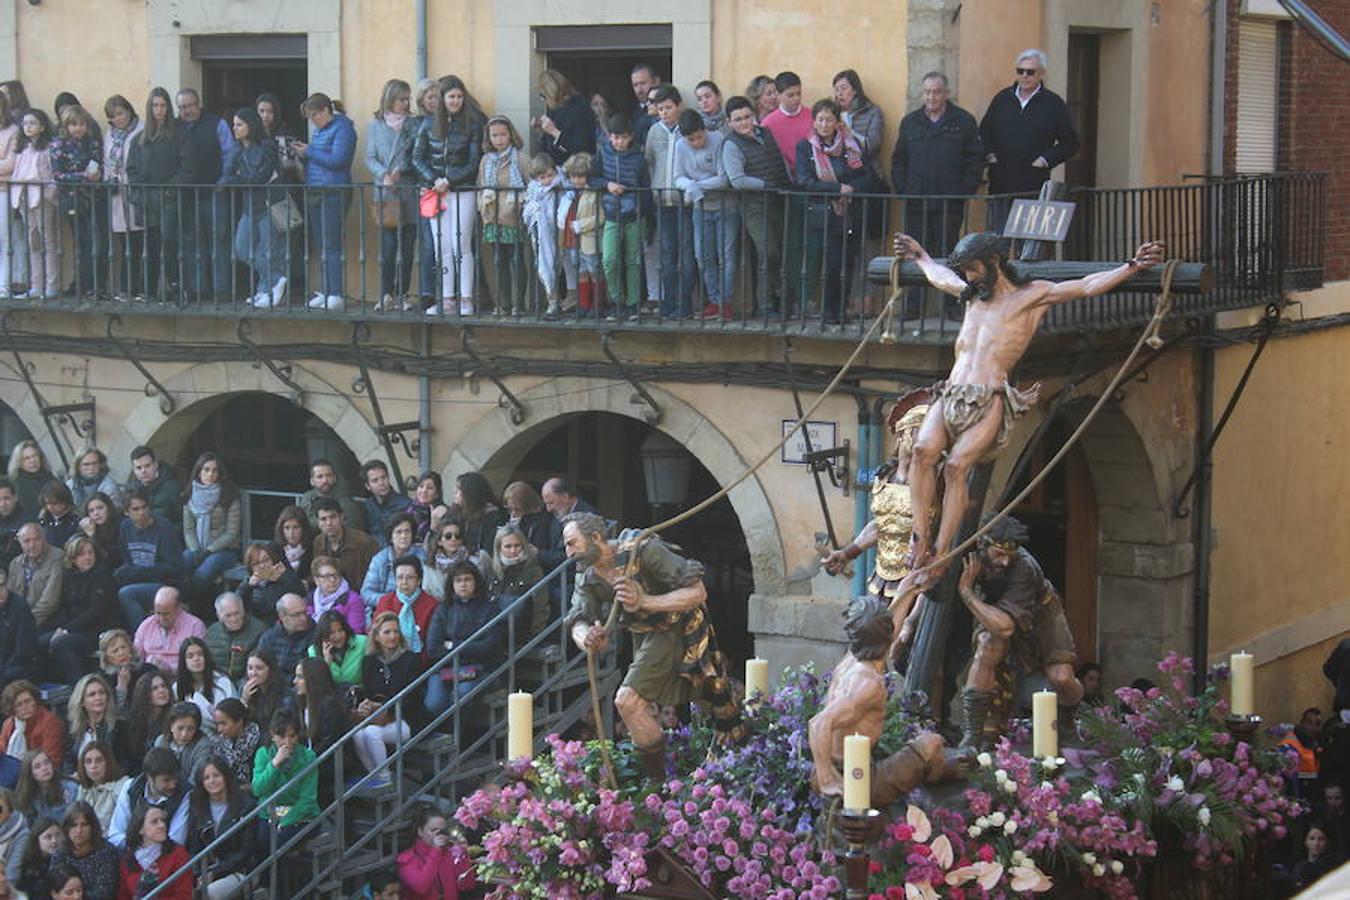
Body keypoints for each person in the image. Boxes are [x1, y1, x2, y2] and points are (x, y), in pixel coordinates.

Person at [894, 231, 1163, 572]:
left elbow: (1086, 286)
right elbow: (941, 277)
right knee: (921, 452)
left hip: (988, 398)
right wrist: (922, 257)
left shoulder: (1032, 297)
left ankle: (942, 551)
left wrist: (1132, 266)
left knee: (956, 467)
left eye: (973, 269)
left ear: (993, 262)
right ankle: (920, 539)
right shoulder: (972, 294)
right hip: (951, 393)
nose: (969, 276)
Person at [563, 512, 742, 782]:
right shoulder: (587, 575)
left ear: (596, 537)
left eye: (572, 543)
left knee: (628, 701)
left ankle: (659, 785)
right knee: (706, 698)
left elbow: (697, 593)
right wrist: (586, 636)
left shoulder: (641, 549)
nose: (568, 553)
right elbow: (577, 618)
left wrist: (645, 601)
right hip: (644, 638)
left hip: (677, 629)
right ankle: (736, 742)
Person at [897, 516, 1082, 748]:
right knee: (987, 645)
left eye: (1010, 555)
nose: (1005, 562)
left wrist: (967, 594)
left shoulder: (1025, 567)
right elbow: (932, 588)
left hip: (1040, 616)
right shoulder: (965, 554)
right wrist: (910, 623)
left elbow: (1005, 626)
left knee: (1061, 677)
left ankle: (1067, 722)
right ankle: (973, 734)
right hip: (995, 612)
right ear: (983, 544)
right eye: (999, 554)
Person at [823, 393, 929, 623]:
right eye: (920, 432)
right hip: (882, 577)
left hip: (916, 581)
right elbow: (882, 525)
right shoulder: (885, 477)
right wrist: (848, 552)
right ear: (903, 435)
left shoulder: (933, 482)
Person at [890, 71, 983, 320]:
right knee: (914, 254)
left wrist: (964, 190)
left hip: (949, 203)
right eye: (927, 92)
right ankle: (912, 306)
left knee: (949, 254)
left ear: (946, 93)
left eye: (936, 92)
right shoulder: (910, 122)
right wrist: (904, 189)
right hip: (916, 201)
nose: (931, 97)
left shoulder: (963, 121)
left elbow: (975, 159)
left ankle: (952, 305)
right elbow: (899, 160)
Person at [795, 98, 881, 325]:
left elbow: (867, 175)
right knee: (831, 263)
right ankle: (828, 311)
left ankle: (841, 310)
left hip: (850, 212)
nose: (824, 124)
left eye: (829, 119)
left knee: (848, 262)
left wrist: (851, 188)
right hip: (823, 213)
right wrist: (836, 188)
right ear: (814, 122)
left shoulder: (850, 146)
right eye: (820, 119)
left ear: (836, 121)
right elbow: (804, 180)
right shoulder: (806, 147)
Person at [979, 49, 1079, 231]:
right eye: (1020, 71)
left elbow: (1070, 142)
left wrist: (1044, 160)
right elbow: (984, 133)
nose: (1024, 76)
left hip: (1032, 185)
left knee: (1027, 247)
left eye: (1030, 72)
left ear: (1041, 73)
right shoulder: (1002, 99)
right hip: (1000, 184)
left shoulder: (1053, 104)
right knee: (994, 244)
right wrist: (990, 155)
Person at [413, 75, 483, 317]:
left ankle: (466, 299)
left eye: (460, 96)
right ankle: (447, 299)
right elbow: (418, 157)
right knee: (441, 247)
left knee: (461, 245)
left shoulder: (472, 124)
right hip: (435, 193)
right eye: (451, 96)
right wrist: (435, 180)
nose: (456, 101)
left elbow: (474, 162)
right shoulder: (428, 124)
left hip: (462, 191)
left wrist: (449, 180)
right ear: (442, 98)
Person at [722, 95, 792, 317]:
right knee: (767, 251)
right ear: (729, 122)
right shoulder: (730, 145)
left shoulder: (765, 133)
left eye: (747, 117)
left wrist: (785, 185)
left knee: (779, 251)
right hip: (753, 205)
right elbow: (737, 180)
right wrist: (766, 185)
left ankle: (776, 299)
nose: (744, 122)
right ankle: (764, 304)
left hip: (777, 200)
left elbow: (778, 161)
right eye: (738, 119)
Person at [126, 88, 192, 302]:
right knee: (151, 246)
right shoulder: (139, 139)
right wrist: (139, 193)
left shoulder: (180, 136)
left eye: (163, 105)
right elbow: (132, 169)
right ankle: (148, 289)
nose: (159, 110)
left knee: (170, 243)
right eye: (155, 105)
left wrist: (171, 189)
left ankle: (175, 288)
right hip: (147, 200)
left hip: (170, 198)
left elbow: (187, 167)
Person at [218, 106, 285, 309]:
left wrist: (237, 180)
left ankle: (265, 291)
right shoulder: (237, 150)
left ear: (250, 125)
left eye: (239, 125)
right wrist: (238, 180)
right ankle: (276, 280)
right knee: (242, 248)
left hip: (268, 204)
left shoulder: (267, 146)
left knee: (268, 250)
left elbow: (261, 177)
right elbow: (226, 175)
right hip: (249, 207)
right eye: (234, 125)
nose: (235, 128)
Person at [672, 109, 735, 322]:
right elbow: (677, 177)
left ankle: (724, 303)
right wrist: (689, 185)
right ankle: (715, 299)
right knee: (703, 256)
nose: (696, 142)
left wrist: (695, 186)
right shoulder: (680, 146)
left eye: (699, 137)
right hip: (700, 208)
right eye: (691, 139)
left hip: (725, 206)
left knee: (726, 255)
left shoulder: (718, 139)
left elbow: (723, 178)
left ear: (704, 130)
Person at [295, 93, 356, 312]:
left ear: (325, 111)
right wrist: (303, 155)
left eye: (314, 116)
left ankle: (336, 293)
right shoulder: (320, 130)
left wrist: (310, 151)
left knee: (331, 244)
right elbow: (321, 158)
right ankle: (326, 290)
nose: (312, 121)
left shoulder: (343, 128)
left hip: (334, 191)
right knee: (321, 244)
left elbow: (339, 160)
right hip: (316, 190)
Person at [365, 79, 420, 312]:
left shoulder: (414, 124)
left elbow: (418, 153)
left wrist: (402, 170)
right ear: (390, 99)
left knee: (407, 246)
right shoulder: (375, 125)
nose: (406, 103)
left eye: (408, 98)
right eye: (401, 99)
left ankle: (401, 293)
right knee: (387, 248)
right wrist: (383, 174)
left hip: (408, 190)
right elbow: (369, 156)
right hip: (385, 192)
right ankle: (385, 293)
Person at [645, 86, 697, 320]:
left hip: (685, 202)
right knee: (667, 254)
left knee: (686, 253)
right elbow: (650, 161)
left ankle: (684, 302)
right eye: (660, 108)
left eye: (668, 108)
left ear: (678, 106)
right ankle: (668, 302)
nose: (664, 112)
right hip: (662, 202)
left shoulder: (686, 130)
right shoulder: (654, 132)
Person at [424, 562, 500, 718]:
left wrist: (451, 645)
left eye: (467, 579)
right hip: (444, 669)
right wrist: (470, 647)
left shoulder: (490, 609)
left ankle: (460, 740)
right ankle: (444, 739)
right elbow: (432, 648)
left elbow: (489, 647)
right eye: (458, 580)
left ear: (476, 582)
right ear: (452, 585)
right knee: (434, 704)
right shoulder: (443, 609)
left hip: (479, 669)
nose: (463, 584)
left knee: (461, 696)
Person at [174, 88, 228, 303]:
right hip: (187, 194)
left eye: (189, 105)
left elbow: (229, 154)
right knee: (192, 242)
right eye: (182, 107)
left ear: (199, 104)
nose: (186, 111)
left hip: (215, 191)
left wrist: (224, 181)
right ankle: (198, 289)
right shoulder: (175, 128)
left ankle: (221, 289)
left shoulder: (218, 124)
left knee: (219, 240)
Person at [590, 114, 647, 318]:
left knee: (633, 261)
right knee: (610, 259)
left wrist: (645, 215)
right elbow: (592, 178)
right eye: (614, 137)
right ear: (609, 137)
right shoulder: (603, 153)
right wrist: (608, 185)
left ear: (630, 137)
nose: (618, 142)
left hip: (633, 213)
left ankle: (633, 303)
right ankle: (616, 300)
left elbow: (645, 187)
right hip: (611, 214)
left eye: (622, 138)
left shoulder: (639, 157)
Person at [353, 613, 420, 788]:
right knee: (358, 734)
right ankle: (372, 775)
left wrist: (384, 706)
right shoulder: (369, 661)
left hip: (406, 718)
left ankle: (384, 778)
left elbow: (412, 698)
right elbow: (368, 692)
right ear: (376, 636)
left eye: (396, 632)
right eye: (387, 632)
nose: (392, 636)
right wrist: (365, 704)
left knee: (372, 733)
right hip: (379, 717)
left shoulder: (411, 659)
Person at [50, 105, 108, 300]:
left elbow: (98, 162)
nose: (78, 128)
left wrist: (97, 175)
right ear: (66, 126)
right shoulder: (58, 145)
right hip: (72, 199)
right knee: (82, 242)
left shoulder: (90, 142)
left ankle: (94, 285)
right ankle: (84, 284)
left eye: (82, 124)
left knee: (95, 242)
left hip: (93, 197)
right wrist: (83, 176)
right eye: (74, 124)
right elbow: (58, 175)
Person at [477, 115, 528, 316]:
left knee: (516, 260)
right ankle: (503, 303)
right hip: (492, 218)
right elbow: (481, 186)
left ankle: (518, 304)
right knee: (499, 261)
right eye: (494, 135)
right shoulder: (486, 160)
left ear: (510, 135)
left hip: (513, 217)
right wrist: (483, 206)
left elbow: (530, 187)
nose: (499, 139)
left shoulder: (521, 159)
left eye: (503, 135)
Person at [114, 491, 186, 631]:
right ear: (126, 512)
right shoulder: (125, 527)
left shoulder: (164, 528)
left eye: (144, 507)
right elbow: (128, 561)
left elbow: (177, 568)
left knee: (126, 593)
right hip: (139, 579)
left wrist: (141, 572)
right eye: (136, 509)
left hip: (165, 583)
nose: (142, 512)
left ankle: (143, 635)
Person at [180, 453, 241, 613]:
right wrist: (195, 551)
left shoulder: (229, 495)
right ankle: (180, 602)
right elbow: (188, 530)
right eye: (206, 470)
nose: (210, 474)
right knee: (182, 562)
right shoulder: (189, 495)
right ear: (198, 471)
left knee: (204, 571)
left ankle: (185, 605)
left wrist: (209, 551)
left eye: (214, 470)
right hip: (197, 547)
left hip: (224, 549)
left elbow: (232, 532)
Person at [185, 758, 254, 900]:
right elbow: (193, 847)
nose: (212, 781)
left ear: (225, 776)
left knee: (206, 893)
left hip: (238, 871)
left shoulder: (246, 806)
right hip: (206, 871)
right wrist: (199, 873)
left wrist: (215, 873)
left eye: (216, 775)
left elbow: (246, 851)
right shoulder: (198, 807)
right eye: (206, 778)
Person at [251, 709, 318, 848]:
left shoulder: (308, 757)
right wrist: (274, 764)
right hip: (269, 815)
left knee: (279, 840)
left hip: (301, 816)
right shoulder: (263, 754)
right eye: (281, 736)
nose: (287, 742)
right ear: (272, 735)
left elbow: (307, 799)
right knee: (259, 841)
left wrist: (285, 821)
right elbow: (258, 789)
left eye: (292, 736)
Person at [11, 110, 59, 300]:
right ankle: (36, 285)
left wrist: (49, 195)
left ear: (42, 126)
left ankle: (51, 285)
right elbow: (18, 172)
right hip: (24, 197)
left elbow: (54, 175)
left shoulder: (48, 149)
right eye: (25, 123)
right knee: (34, 242)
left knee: (48, 240)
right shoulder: (23, 149)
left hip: (41, 198)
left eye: (32, 123)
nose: (28, 127)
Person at [102, 95, 145, 302]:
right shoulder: (109, 135)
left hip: (135, 192)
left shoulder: (141, 130)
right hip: (116, 194)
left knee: (138, 243)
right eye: (113, 116)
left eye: (120, 113)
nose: (118, 119)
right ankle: (124, 288)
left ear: (129, 110)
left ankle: (137, 289)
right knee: (122, 242)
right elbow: (105, 162)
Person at [106, 747, 188, 851]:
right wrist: (137, 850)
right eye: (166, 780)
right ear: (150, 778)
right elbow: (115, 834)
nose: (172, 785)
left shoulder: (184, 794)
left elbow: (176, 839)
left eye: (175, 779)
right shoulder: (130, 788)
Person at [407, 78, 443, 308]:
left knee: (448, 243)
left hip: (446, 187)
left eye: (437, 96)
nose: (434, 101)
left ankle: (448, 292)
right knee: (429, 243)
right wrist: (429, 179)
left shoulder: (446, 120)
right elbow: (414, 156)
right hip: (426, 189)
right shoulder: (415, 124)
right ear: (421, 100)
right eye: (430, 97)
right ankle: (428, 292)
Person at [396, 803, 475, 900]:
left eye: (442, 831)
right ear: (420, 831)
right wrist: (435, 851)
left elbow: (467, 885)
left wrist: (463, 854)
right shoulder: (407, 859)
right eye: (434, 830)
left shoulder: (449, 854)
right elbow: (421, 887)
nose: (438, 835)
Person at [557, 152, 603, 316]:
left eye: (581, 176)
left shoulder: (594, 192)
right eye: (573, 176)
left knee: (594, 273)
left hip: (589, 239)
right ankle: (584, 305)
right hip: (572, 241)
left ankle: (597, 306)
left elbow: (600, 217)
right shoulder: (569, 194)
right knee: (581, 273)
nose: (577, 180)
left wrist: (580, 225)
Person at [115, 803, 192, 899]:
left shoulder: (179, 855)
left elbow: (184, 895)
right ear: (140, 829)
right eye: (154, 822)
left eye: (163, 820)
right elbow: (122, 896)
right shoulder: (128, 859)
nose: (162, 825)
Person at [522, 153, 564, 316]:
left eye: (550, 175)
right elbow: (528, 212)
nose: (548, 180)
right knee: (544, 264)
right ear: (536, 178)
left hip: (558, 230)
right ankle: (552, 301)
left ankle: (565, 298)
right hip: (540, 233)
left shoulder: (560, 185)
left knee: (560, 262)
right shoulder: (533, 190)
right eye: (543, 177)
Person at [1, 683, 64, 788]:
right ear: (12, 709)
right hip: (12, 776)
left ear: (35, 701)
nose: (25, 707)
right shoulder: (9, 724)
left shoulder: (50, 722)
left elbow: (53, 759)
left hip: (40, 776)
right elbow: (2, 751)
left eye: (28, 701)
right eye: (19, 704)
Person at [50, 803, 118, 900]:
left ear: (92, 827)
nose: (79, 830)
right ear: (66, 828)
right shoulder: (60, 853)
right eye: (74, 825)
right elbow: (54, 888)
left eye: (84, 824)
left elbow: (105, 893)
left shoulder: (106, 852)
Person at [372, 557, 437, 657]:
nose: (404, 582)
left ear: (419, 580)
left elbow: (432, 642)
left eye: (410, 577)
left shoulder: (432, 604)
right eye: (400, 577)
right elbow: (375, 634)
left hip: (422, 661)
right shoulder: (385, 601)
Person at [361, 514, 426, 615]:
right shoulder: (380, 559)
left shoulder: (423, 557)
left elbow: (426, 590)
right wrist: (391, 602)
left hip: (415, 609)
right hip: (386, 610)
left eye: (407, 531)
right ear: (391, 537)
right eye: (399, 532)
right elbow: (366, 594)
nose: (403, 536)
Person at [64, 676, 128, 777]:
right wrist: (72, 774)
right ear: (82, 702)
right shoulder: (72, 729)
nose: (98, 698)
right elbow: (67, 760)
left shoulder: (119, 726)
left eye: (102, 693)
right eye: (92, 695)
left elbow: (125, 763)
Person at [131, 587, 204, 675]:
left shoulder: (195, 626)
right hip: (150, 677)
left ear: (179, 608)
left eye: (166, 614)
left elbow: (198, 661)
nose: (161, 618)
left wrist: (169, 669)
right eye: (158, 613)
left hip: (182, 677)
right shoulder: (146, 626)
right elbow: (135, 658)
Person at [172, 640, 235, 735]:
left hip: (223, 734)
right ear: (183, 661)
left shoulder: (222, 682)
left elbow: (232, 715)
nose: (196, 659)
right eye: (190, 656)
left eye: (200, 654)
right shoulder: (177, 687)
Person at [487, 526, 543, 630]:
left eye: (517, 545)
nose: (513, 550)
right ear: (499, 548)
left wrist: (536, 632)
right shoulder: (491, 570)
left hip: (522, 632)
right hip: (495, 631)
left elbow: (541, 606)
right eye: (508, 546)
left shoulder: (533, 570)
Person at [9, 525, 62, 635]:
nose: (32, 545)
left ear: (44, 539)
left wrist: (25, 624)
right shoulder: (15, 563)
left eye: (36, 539)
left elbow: (49, 602)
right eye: (26, 541)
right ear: (20, 543)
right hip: (19, 622)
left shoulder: (57, 558)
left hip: (47, 622)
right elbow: (10, 598)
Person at [535, 69, 595, 167]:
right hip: (555, 169)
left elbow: (580, 149)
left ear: (551, 93)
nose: (542, 100)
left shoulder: (579, 109)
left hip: (576, 171)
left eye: (543, 95)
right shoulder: (555, 109)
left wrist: (554, 132)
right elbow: (548, 146)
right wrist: (543, 131)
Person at [420, 519, 489, 604]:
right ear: (439, 541)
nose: (453, 539)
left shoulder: (479, 559)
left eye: (457, 536)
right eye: (448, 536)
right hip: (441, 609)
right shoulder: (429, 565)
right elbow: (427, 591)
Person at [255, 595, 315, 693]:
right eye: (297, 615)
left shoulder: (315, 635)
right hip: (273, 691)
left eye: (305, 612)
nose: (303, 618)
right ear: (282, 616)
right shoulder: (268, 638)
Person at [203, 592, 265, 686]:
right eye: (228, 615)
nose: (234, 619)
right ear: (219, 616)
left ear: (243, 610)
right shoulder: (211, 632)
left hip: (247, 682)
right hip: (216, 682)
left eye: (237, 613)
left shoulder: (259, 630)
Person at [237, 542, 304, 624]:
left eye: (266, 560)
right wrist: (247, 586)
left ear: (273, 560)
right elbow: (236, 605)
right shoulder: (249, 584)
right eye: (256, 563)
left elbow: (270, 607)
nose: (262, 566)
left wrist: (277, 579)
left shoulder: (287, 577)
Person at [71, 744, 128, 836]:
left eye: (99, 760)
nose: (93, 766)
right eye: (88, 762)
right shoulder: (83, 789)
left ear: (108, 762)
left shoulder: (123, 787)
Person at [298, 460, 365, 535]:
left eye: (328, 475)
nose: (325, 480)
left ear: (334, 478)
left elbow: (353, 532)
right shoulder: (308, 497)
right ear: (312, 481)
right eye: (320, 477)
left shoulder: (347, 503)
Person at [206, 700, 259, 793]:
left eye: (223, 723)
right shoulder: (221, 744)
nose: (219, 729)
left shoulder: (259, 741)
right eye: (217, 724)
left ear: (239, 721)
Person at [832, 70, 884, 164]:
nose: (839, 93)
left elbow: (872, 146)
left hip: (865, 169)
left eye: (844, 88)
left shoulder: (873, 112)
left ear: (855, 90)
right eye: (836, 89)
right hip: (839, 170)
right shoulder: (832, 114)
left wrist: (849, 133)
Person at [307, 609, 368, 688]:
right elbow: (317, 686)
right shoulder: (314, 651)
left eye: (341, 630)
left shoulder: (362, 642)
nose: (338, 636)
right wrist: (326, 664)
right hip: (331, 697)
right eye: (332, 633)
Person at [5, 446, 54, 542]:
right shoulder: (16, 485)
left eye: (35, 456)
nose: (32, 460)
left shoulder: (51, 479)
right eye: (27, 458)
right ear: (19, 462)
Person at [95, 632, 149, 715]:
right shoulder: (103, 678)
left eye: (124, 647)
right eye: (115, 651)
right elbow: (113, 711)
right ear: (107, 658)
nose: (121, 653)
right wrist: (122, 686)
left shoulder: (146, 670)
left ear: (130, 649)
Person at [308, 557, 365, 636]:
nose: (332, 580)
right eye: (326, 576)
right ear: (316, 580)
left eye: (335, 575)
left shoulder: (353, 599)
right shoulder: (310, 600)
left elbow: (356, 633)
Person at [0, 570, 37, 694]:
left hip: (22, 664)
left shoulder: (20, 607)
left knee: (7, 674)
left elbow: (23, 651)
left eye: (2, 585)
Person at [359, 461, 412, 546]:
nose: (381, 483)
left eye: (383, 478)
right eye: (375, 481)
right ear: (368, 486)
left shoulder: (405, 505)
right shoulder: (368, 506)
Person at [124, 673, 172, 765]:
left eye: (164, 686)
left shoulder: (174, 719)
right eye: (154, 688)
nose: (161, 690)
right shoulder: (131, 721)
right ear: (144, 693)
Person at [124, 449, 180, 527]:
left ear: (155, 465)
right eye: (139, 468)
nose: (143, 471)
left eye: (147, 466)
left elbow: (181, 521)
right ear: (133, 470)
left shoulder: (172, 487)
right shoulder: (130, 489)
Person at [14, 751, 74, 822]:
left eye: (46, 763)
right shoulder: (27, 796)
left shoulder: (69, 787)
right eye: (37, 767)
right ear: (29, 773)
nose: (44, 768)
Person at [237, 652, 283, 741]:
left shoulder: (281, 692)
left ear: (270, 670)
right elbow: (239, 724)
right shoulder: (244, 688)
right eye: (250, 668)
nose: (253, 673)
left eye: (259, 668)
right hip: (251, 739)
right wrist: (244, 700)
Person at [1291, 821, 1343, 892]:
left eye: (1321, 839)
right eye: (1312, 838)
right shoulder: (1299, 866)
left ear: (1328, 842)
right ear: (1306, 841)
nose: (1316, 843)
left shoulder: (1334, 865)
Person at [13, 816, 57, 896]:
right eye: (48, 837)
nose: (54, 840)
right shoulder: (27, 866)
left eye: (57, 835)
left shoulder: (63, 859)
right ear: (37, 839)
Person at [272, 505, 315, 585]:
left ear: (304, 528)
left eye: (296, 527)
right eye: (287, 528)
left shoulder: (312, 547)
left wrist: (307, 582)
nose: (291, 533)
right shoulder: (274, 549)